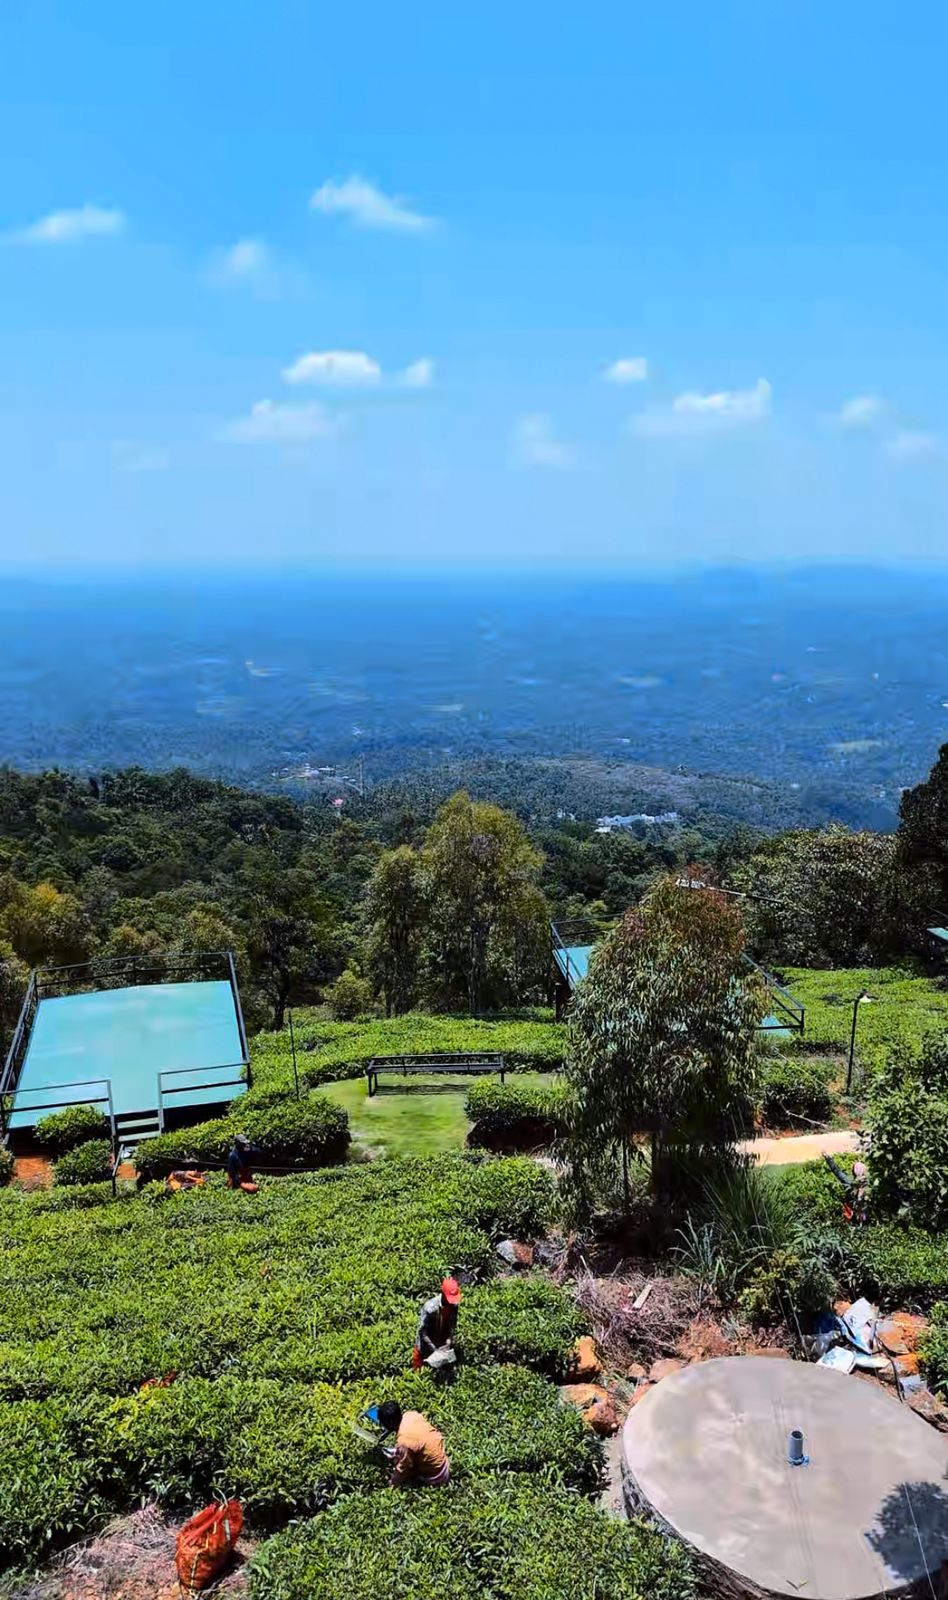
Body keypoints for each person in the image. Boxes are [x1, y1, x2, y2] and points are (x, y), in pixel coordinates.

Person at [376, 1401, 450, 1488]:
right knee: (405, 1453)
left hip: (437, 1475)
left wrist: (392, 1483)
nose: (383, 1426)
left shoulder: (404, 1441)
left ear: (390, 1422)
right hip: (443, 1462)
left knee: (398, 1462)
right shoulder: (411, 1415)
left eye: (383, 1423)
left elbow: (403, 1468)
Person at [413, 1276, 462, 1369]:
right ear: (442, 1293)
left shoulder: (454, 1305)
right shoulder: (430, 1308)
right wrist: (434, 1349)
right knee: (419, 1370)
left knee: (443, 1369)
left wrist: (448, 1341)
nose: (451, 1302)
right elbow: (422, 1332)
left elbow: (452, 1324)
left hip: (441, 1340)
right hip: (426, 1344)